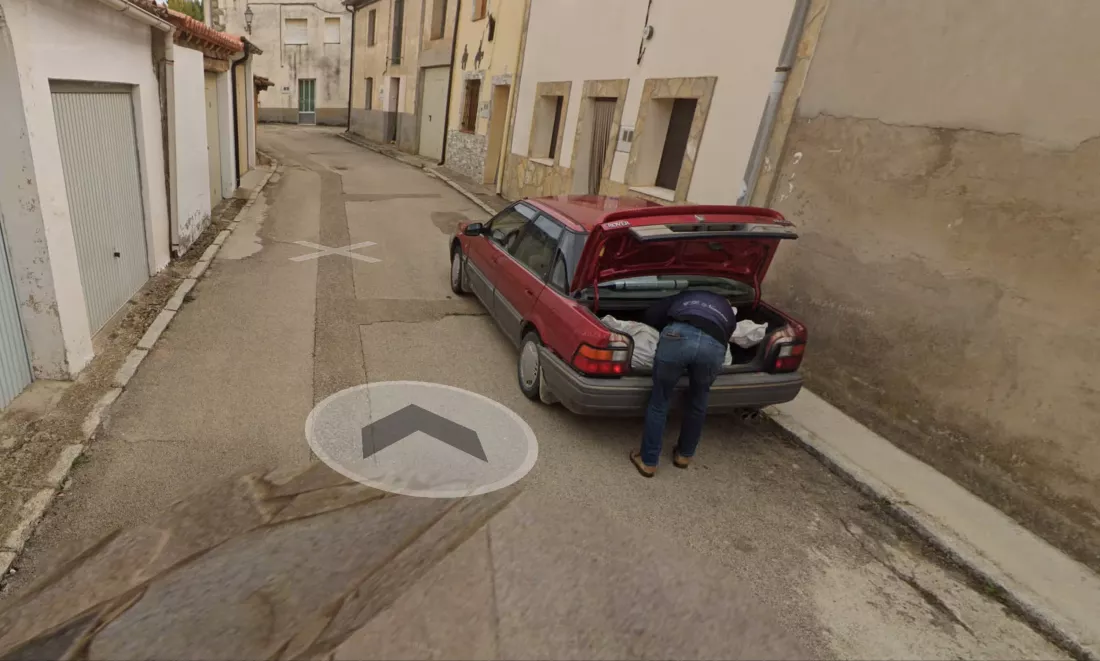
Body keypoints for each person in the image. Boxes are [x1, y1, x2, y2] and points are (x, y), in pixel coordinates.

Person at [629, 290, 736, 477]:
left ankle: (648, 461)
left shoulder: (686, 295)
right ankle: (684, 455)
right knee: (699, 399)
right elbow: (726, 336)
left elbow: (652, 314)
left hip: (677, 336)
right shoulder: (727, 311)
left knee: (660, 400)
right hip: (713, 346)